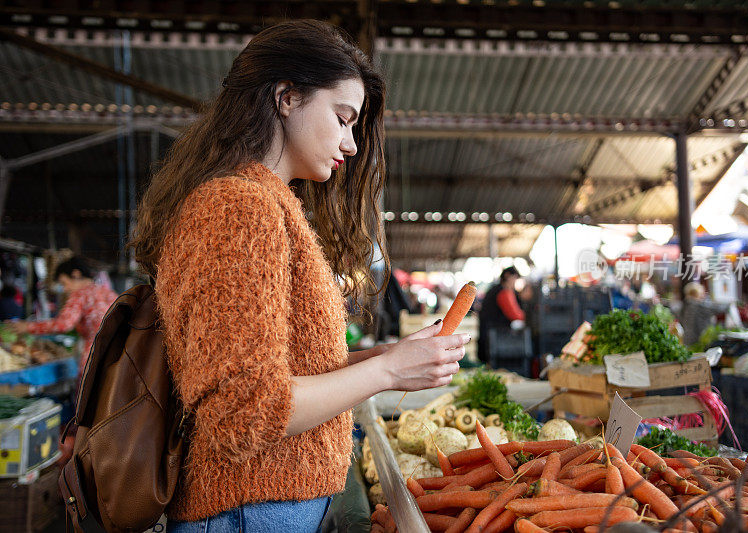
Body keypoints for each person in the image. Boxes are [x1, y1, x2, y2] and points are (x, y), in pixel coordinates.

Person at [129, 20, 469, 532]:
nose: (351, 144)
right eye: (342, 117)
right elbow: (247, 411)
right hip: (249, 512)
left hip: (261, 509)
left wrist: (383, 359)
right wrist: (388, 373)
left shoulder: (262, 202)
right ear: (286, 98)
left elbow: (278, 372)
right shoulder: (239, 206)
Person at [9, 256, 117, 373]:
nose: (65, 289)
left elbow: (63, 324)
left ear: (76, 274)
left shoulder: (80, 293)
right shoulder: (108, 293)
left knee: (90, 390)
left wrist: (27, 327)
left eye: (64, 283)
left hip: (95, 357)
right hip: (118, 356)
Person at [478, 266, 526, 363]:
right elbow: (515, 314)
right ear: (507, 276)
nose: (515, 282)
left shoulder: (495, 289)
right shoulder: (504, 292)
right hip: (494, 338)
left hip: (488, 335)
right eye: (514, 278)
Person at [679, 282, 730, 348]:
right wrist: (730, 304)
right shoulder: (698, 306)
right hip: (698, 341)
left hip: (687, 340)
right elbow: (719, 309)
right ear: (698, 293)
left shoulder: (685, 305)